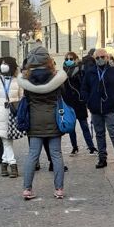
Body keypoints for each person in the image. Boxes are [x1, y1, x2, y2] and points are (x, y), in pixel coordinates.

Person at [18, 46, 67, 200]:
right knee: (56, 155)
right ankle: (59, 189)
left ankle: (27, 189)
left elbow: (26, 98)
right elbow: (63, 95)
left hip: (34, 120)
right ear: (48, 60)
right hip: (53, 119)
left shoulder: (26, 78)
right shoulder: (56, 76)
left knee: (33, 155)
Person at [81, 47, 114, 170]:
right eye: (97, 58)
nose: (100, 59)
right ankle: (102, 158)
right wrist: (89, 101)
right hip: (95, 109)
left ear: (107, 58)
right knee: (99, 134)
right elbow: (84, 89)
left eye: (102, 57)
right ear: (94, 59)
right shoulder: (90, 72)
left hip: (110, 108)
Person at [0, 56, 23, 178]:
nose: (3, 65)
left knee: (8, 140)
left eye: (6, 63)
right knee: (6, 141)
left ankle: (4, 164)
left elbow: (22, 97)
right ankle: (13, 164)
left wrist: (19, 109)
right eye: (1, 63)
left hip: (13, 114)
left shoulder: (18, 80)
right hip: (0, 114)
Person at [61, 51, 96, 155]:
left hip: (79, 102)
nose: (68, 61)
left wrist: (84, 98)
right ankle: (74, 147)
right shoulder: (63, 73)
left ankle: (91, 147)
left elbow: (85, 85)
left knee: (84, 126)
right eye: (67, 59)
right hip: (69, 103)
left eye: (71, 59)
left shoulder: (81, 71)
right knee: (71, 127)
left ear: (76, 59)